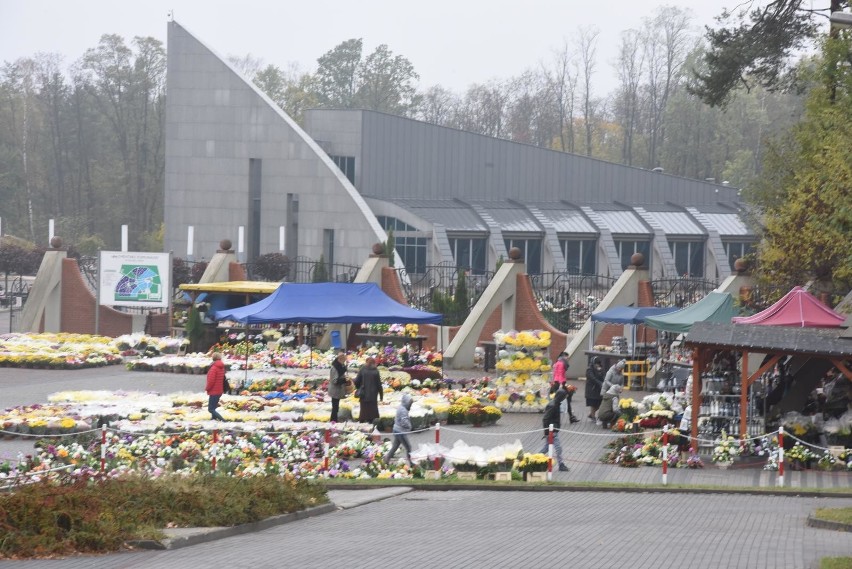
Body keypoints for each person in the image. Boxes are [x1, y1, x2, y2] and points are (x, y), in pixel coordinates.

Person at [539, 386, 570, 471]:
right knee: (558, 448)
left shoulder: (555, 404)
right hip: (552, 431)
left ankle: (535, 459)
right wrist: (547, 432)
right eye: (564, 397)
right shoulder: (553, 405)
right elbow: (545, 419)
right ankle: (561, 464)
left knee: (546, 448)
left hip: (553, 430)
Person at [383, 392, 415, 468]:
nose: (410, 405)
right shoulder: (403, 410)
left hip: (396, 429)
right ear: (407, 402)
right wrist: (409, 426)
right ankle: (412, 463)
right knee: (408, 447)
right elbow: (404, 421)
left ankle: (387, 458)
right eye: (410, 403)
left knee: (395, 446)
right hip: (400, 431)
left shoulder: (401, 407)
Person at [354, 356, 383, 424]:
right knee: (372, 413)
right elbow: (379, 384)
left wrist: (359, 387)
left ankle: (362, 428)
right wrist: (381, 395)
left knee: (363, 412)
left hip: (364, 395)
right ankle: (371, 426)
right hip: (373, 396)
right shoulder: (376, 371)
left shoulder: (362, 369)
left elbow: (357, 381)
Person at [327, 350, 348, 422]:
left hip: (338, 390)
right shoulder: (335, 368)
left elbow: (341, 373)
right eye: (343, 360)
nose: (344, 362)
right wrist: (344, 380)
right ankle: (333, 420)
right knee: (335, 407)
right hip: (335, 390)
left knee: (336, 406)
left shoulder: (340, 366)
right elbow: (334, 381)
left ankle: (334, 419)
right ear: (339, 359)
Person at [205, 352, 227, 422]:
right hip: (219, 390)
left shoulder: (213, 368)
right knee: (213, 407)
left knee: (210, 409)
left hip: (214, 391)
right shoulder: (221, 367)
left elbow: (211, 381)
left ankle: (223, 421)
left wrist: (207, 388)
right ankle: (213, 419)